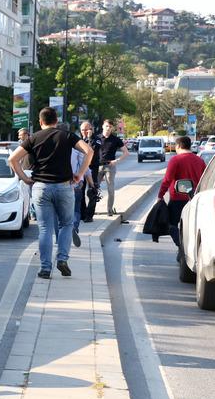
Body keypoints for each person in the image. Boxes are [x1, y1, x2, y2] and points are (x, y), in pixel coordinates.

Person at [9, 108, 93, 279]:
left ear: (41, 122)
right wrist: (79, 174)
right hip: (63, 186)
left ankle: (45, 268)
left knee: (45, 229)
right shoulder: (67, 135)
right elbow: (89, 152)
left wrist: (25, 178)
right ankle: (62, 258)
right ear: (56, 120)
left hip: (41, 187)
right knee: (66, 224)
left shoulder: (33, 138)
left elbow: (13, 159)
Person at [158, 136, 206, 247]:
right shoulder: (200, 160)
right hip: (195, 199)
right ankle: (185, 250)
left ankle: (182, 246)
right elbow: (205, 178)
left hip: (177, 199)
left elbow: (167, 179)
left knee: (171, 224)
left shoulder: (175, 160)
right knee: (190, 225)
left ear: (178, 146)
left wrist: (160, 195)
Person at [95, 119, 129, 216]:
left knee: (110, 189)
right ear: (102, 126)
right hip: (98, 166)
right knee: (93, 188)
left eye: (110, 127)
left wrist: (116, 161)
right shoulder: (97, 138)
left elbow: (126, 153)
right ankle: (91, 210)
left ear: (112, 128)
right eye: (106, 126)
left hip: (110, 166)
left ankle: (109, 211)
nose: (108, 128)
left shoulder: (115, 139)